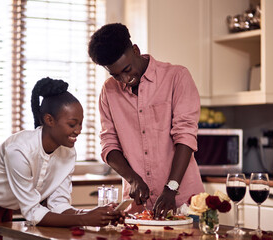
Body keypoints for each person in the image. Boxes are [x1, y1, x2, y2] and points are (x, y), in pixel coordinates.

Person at [0, 77, 124, 240]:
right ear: (49, 120)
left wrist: (94, 215)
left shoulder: (68, 152)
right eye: (72, 124)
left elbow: (58, 204)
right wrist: (85, 218)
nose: (78, 130)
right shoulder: (19, 150)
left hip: (1, 204)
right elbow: (33, 213)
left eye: (80, 123)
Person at [88, 23, 205, 219]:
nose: (125, 79)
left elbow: (185, 136)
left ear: (136, 50)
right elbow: (108, 144)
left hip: (185, 203)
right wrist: (132, 179)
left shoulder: (177, 77)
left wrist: (171, 189)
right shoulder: (108, 91)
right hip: (137, 208)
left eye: (127, 69)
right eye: (116, 75)